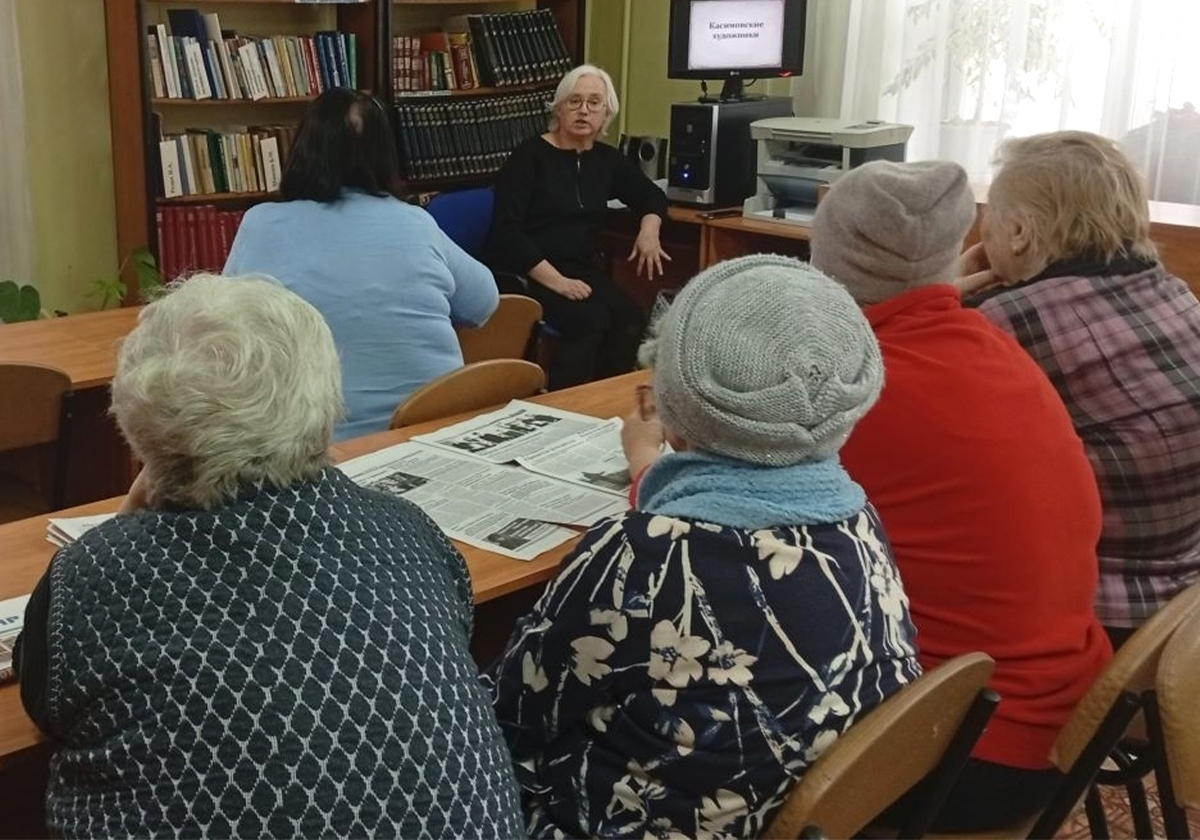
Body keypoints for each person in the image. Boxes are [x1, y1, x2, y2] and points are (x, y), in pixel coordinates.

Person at [13, 274, 523, 839]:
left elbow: (44, 702)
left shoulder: (93, 576)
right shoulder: (410, 530)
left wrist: (124, 529)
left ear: (136, 421)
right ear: (327, 399)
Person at [484, 255, 921, 838]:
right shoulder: (857, 518)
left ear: (675, 405)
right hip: (789, 812)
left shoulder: (644, 553)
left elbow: (510, 712)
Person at [810, 159, 1113, 832]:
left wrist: (646, 462)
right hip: (1061, 720)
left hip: (957, 752)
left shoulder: (855, 391)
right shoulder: (995, 345)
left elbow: (698, 527)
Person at [960, 130, 1200, 647]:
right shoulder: (1170, 289)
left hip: (1102, 609)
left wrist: (936, 300)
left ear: (1019, 230)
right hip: (1183, 599)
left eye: (990, 217)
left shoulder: (1004, 321)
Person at [224, 88, 498, 441]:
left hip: (314, 450)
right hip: (433, 435)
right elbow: (484, 304)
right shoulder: (415, 222)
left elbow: (227, 328)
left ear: (302, 149)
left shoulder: (260, 224)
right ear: (385, 155)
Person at [487, 64, 670, 390]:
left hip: (581, 268)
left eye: (594, 103)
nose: (584, 111)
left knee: (629, 317)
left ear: (606, 114)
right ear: (558, 108)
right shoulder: (529, 157)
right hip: (529, 270)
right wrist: (557, 281)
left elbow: (651, 196)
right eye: (574, 101)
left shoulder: (606, 160)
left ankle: (605, 403)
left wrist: (649, 230)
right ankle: (564, 405)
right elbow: (507, 233)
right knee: (588, 321)